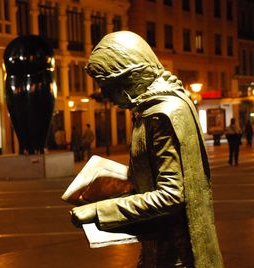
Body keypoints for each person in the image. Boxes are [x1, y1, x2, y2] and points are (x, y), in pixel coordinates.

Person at [69, 31, 223, 267]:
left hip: (175, 255)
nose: (106, 96)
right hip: (160, 247)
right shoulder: (154, 108)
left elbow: (172, 196)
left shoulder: (162, 114)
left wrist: (100, 211)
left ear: (129, 77)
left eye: (107, 86)